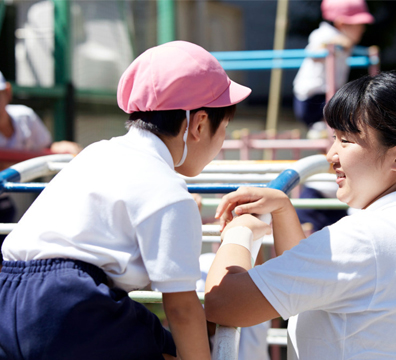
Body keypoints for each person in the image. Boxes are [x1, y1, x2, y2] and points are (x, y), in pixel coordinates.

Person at [0, 41, 251, 360]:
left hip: (9, 291)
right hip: (71, 301)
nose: (224, 138)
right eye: (225, 127)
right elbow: (182, 308)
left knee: (160, 341)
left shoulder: (96, 152)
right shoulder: (169, 191)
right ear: (199, 124)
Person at [205, 71, 396, 359]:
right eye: (334, 138)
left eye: (346, 140)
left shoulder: (365, 237)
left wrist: (237, 233)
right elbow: (317, 283)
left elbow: (223, 301)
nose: (331, 155)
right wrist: (283, 210)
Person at [293, 0, 374, 232]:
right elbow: (317, 48)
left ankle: (321, 131)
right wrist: (340, 43)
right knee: (338, 125)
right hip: (312, 97)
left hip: (324, 95)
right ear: (340, 22)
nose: (361, 29)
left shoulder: (342, 43)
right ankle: (321, 132)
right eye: (356, 24)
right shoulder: (325, 34)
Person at [0, 71, 82, 263]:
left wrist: (61, 149)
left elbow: (45, 148)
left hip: (5, 202)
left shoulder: (25, 118)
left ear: (8, 92)